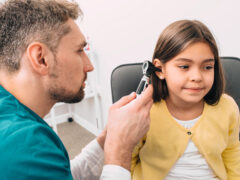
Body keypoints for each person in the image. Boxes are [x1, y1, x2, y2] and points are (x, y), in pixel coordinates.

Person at [0, 0, 153, 179]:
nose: (89, 66)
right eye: (79, 51)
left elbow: (60, 174)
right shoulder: (22, 144)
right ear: (41, 58)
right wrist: (121, 148)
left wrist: (108, 139)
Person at [131, 20, 240, 180]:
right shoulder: (144, 112)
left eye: (207, 67)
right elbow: (125, 159)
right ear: (160, 69)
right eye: (184, 67)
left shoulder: (227, 107)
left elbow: (232, 152)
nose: (197, 77)